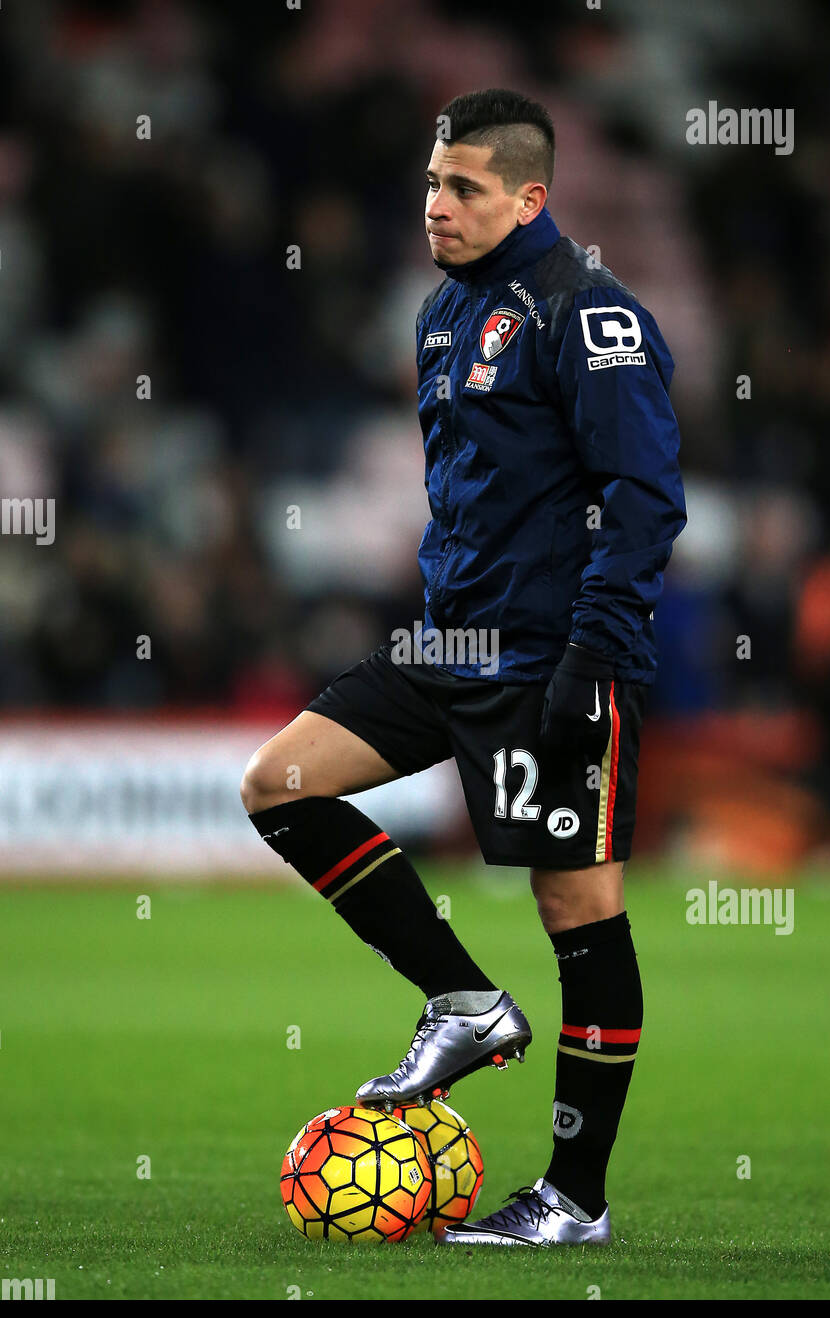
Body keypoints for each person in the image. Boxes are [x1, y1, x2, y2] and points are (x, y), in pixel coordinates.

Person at [241, 88, 686, 1247]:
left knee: (576, 907)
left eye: (463, 188)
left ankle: (573, 1201)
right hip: (453, 642)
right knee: (281, 783)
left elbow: (641, 501)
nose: (434, 205)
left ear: (529, 198)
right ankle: (462, 998)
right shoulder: (444, 311)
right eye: (432, 183)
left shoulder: (588, 317)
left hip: (556, 656)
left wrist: (593, 652)